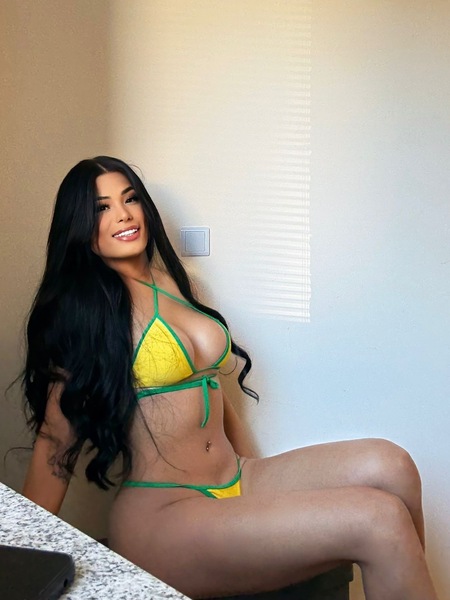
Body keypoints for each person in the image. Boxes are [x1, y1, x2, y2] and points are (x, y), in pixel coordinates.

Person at [22, 156, 438, 600]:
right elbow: (55, 443)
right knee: (377, 518)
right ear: (80, 225)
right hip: (165, 514)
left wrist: (259, 498)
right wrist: (22, 559)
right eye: (102, 208)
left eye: (130, 199)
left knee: (392, 465)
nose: (123, 215)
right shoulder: (87, 311)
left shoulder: (175, 283)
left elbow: (211, 392)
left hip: (236, 478)